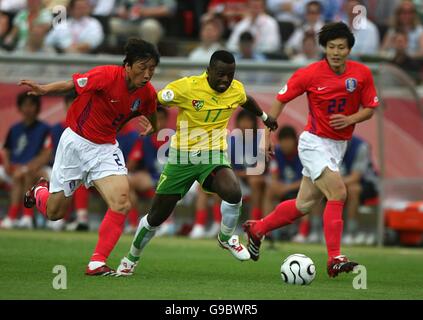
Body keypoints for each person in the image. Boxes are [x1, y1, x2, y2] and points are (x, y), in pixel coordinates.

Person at [116, 50, 278, 276]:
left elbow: (245, 100)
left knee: (233, 192)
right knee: (156, 217)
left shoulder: (235, 89)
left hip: (213, 155)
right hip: (182, 157)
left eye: (229, 75)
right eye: (220, 74)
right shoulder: (187, 87)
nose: (225, 80)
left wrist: (264, 117)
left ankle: (225, 237)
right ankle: (130, 258)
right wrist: (138, 119)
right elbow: (152, 99)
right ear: (209, 71)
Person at [242, 22, 379, 278]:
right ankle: (334, 258)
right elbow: (280, 100)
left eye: (341, 47)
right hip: (314, 142)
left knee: (304, 204)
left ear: (349, 49)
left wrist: (351, 119)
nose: (336, 52)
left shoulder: (361, 74)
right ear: (324, 49)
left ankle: (258, 228)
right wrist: (266, 135)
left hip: (338, 145)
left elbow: (370, 108)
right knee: (338, 192)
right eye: (331, 47)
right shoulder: (309, 74)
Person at [20, 38, 160, 276]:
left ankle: (97, 262)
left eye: (152, 69)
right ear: (127, 65)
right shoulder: (106, 75)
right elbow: (71, 85)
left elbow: (152, 111)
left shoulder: (146, 93)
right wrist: (44, 90)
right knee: (55, 213)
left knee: (122, 202)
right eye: (142, 67)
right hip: (76, 143)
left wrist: (153, 128)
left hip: (105, 149)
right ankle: (39, 192)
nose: (147, 74)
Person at [0, 92, 52, 229]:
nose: (28, 108)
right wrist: (6, 164)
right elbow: (6, 149)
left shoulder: (45, 129)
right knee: (15, 174)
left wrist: (30, 166)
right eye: (25, 105)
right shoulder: (14, 128)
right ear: (20, 107)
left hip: (37, 169)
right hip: (14, 167)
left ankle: (22, 217)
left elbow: (47, 153)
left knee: (24, 174)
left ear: (37, 108)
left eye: (31, 105)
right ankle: (20, 217)